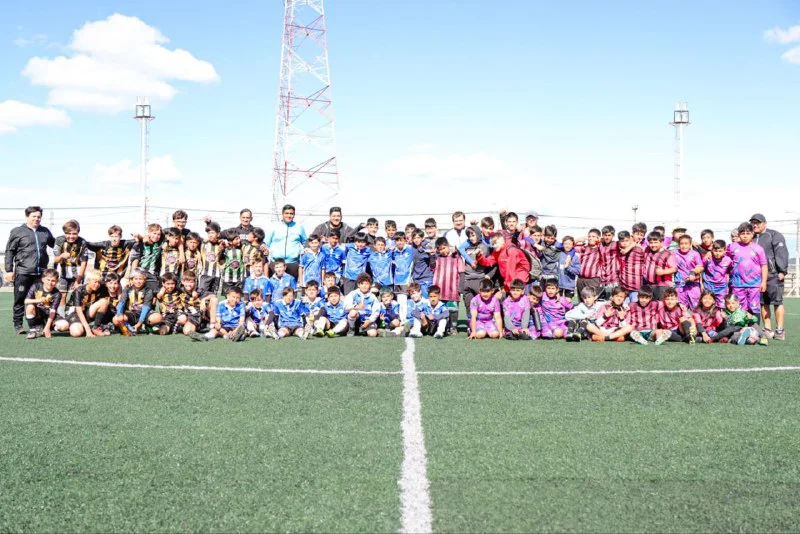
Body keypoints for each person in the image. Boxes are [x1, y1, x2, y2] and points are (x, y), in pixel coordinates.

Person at [4, 206, 56, 334]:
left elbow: (55, 244)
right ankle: (18, 325)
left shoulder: (45, 231)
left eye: (39, 217)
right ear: (27, 217)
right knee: (20, 299)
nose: (36, 219)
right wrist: (9, 270)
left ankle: (37, 324)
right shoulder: (18, 231)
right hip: (23, 272)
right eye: (34, 216)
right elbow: (10, 251)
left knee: (40, 299)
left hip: (41, 273)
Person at [751, 213, 789, 340]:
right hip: (757, 277)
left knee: (777, 302)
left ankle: (779, 330)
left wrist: (782, 271)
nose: (755, 225)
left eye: (758, 222)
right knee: (763, 303)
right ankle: (767, 329)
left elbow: (781, 252)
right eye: (753, 222)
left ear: (765, 224)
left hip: (773, 275)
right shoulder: (750, 236)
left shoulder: (774, 235)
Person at [727, 222, 768, 317]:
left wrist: (764, 282)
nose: (745, 236)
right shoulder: (732, 247)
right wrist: (709, 253)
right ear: (739, 234)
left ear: (752, 234)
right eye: (742, 233)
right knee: (738, 308)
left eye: (748, 233)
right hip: (737, 285)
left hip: (754, 285)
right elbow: (721, 254)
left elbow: (764, 266)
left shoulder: (758, 248)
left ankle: (754, 330)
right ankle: (739, 330)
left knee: (754, 308)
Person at [23, 268, 69, 339]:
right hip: (38, 313)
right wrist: (38, 300)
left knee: (65, 325)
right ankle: (32, 330)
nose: (50, 283)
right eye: (48, 280)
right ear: (43, 279)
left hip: (49, 314)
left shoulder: (57, 294)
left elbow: (53, 311)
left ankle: (48, 328)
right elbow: (26, 301)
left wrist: (47, 327)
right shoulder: (36, 286)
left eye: (53, 281)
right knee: (30, 307)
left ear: (57, 281)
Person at [264, 204, 307, 279]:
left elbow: (305, 242)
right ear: (282, 214)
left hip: (293, 264)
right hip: (276, 263)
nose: (289, 215)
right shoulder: (274, 226)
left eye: (291, 213)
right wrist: (265, 250)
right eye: (286, 213)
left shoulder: (299, 227)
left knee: (292, 288)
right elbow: (266, 243)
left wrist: (305, 249)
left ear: (294, 215)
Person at [113, 269, 160, 336]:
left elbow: (145, 308)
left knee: (157, 317)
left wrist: (139, 323)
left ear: (145, 280)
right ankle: (129, 327)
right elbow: (121, 303)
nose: (138, 281)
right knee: (115, 319)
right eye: (136, 279)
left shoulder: (148, 290)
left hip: (145, 313)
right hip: (131, 313)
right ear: (132, 280)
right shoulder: (127, 288)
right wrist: (119, 315)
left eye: (140, 279)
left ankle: (146, 326)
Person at [644, 231, 677, 301]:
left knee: (661, 307)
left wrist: (663, 272)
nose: (653, 245)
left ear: (661, 242)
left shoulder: (668, 254)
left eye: (655, 242)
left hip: (662, 286)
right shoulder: (647, 250)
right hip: (649, 285)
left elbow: (674, 268)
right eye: (651, 243)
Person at [673, 234, 704, 309]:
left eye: (686, 243)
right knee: (681, 309)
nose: (684, 246)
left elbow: (700, 267)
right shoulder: (674, 253)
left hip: (693, 286)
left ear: (690, 244)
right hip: (680, 286)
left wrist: (693, 272)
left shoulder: (695, 254)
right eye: (681, 244)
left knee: (696, 309)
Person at [345, 273, 380, 337]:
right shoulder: (353, 294)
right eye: (362, 284)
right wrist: (356, 307)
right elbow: (345, 307)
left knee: (373, 334)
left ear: (370, 285)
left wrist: (369, 321)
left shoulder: (373, 297)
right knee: (353, 312)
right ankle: (352, 329)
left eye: (366, 284)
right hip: (356, 319)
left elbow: (376, 312)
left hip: (367, 320)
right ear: (358, 285)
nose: (364, 286)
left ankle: (363, 330)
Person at [702, 240, 731, 307]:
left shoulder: (728, 260)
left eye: (720, 251)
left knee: (721, 306)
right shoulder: (708, 258)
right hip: (709, 285)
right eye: (715, 251)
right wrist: (702, 284)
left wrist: (727, 285)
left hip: (721, 287)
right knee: (708, 305)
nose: (717, 253)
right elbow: (702, 269)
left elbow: (729, 271)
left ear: (724, 251)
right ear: (712, 250)